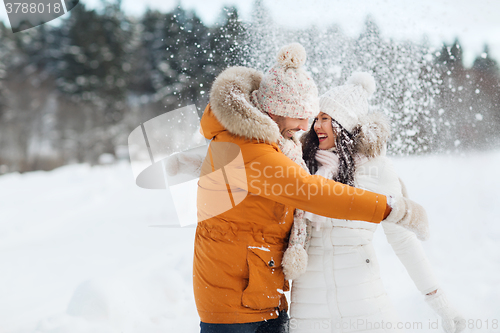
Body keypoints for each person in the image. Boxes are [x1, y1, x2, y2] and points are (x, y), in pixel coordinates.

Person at [168, 43, 427, 333]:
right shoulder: (254, 151)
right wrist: (392, 208)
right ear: (276, 111)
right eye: (301, 115)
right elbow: (311, 192)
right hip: (237, 309)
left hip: (255, 294)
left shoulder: (259, 143)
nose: (307, 125)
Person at [285, 72, 465, 333]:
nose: (316, 125)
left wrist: (440, 302)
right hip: (309, 309)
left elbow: (403, 240)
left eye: (326, 118)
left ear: (343, 124)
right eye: (317, 118)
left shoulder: (377, 170)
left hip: (364, 306)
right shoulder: (301, 166)